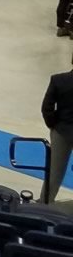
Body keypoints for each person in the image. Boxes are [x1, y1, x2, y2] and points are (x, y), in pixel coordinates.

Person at [42, 55, 73, 200]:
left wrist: (54, 125)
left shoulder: (58, 80)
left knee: (54, 174)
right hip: (62, 129)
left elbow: (46, 108)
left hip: (61, 131)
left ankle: (44, 205)